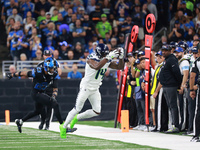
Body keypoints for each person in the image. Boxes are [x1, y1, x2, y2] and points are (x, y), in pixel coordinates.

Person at [59, 43, 124, 138]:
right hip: (86, 87)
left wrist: (121, 57)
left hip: (95, 88)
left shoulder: (106, 58)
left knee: (97, 111)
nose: (105, 56)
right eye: (104, 54)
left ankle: (77, 118)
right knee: (77, 108)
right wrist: (109, 56)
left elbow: (119, 67)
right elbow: (96, 66)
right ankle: (63, 127)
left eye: (106, 54)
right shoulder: (91, 58)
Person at [6, 57, 64, 133]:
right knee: (55, 104)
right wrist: (12, 75)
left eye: (54, 68)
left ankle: (20, 121)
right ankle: (63, 126)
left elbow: (55, 88)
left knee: (37, 111)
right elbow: (24, 73)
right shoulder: (38, 72)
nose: (53, 70)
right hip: (35, 93)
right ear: (46, 68)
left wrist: (53, 96)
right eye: (51, 69)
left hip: (42, 92)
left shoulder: (54, 74)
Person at [159, 45, 182, 133]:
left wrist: (179, 84)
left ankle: (175, 126)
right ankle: (172, 124)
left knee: (173, 106)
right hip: (166, 86)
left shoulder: (171, 59)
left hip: (171, 86)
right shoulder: (167, 59)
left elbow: (176, 72)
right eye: (163, 50)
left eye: (165, 50)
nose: (163, 52)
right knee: (170, 106)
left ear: (170, 51)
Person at [189, 43, 200, 142]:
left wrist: (192, 89)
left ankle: (196, 135)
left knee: (198, 111)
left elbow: (192, 76)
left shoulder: (197, 62)